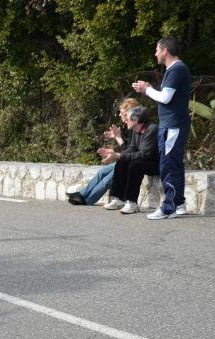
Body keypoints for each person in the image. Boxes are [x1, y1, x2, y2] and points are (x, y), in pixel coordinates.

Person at [132, 37, 191, 220]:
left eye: (157, 50)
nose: (155, 53)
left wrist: (145, 90)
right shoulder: (174, 70)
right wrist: (149, 88)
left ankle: (168, 207)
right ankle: (179, 203)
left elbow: (165, 98)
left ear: (165, 50)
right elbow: (166, 95)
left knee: (168, 165)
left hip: (172, 126)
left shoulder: (176, 69)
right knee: (175, 164)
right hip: (173, 125)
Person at [66, 98, 140, 205]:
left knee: (108, 179)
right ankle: (81, 195)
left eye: (123, 113)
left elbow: (133, 153)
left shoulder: (137, 128)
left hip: (134, 163)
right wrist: (118, 137)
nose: (120, 115)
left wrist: (117, 151)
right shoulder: (131, 128)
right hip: (128, 160)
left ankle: (87, 200)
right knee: (103, 171)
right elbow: (128, 150)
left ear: (131, 114)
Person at [100, 106, 159, 214]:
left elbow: (145, 154)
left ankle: (132, 203)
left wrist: (119, 155)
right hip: (144, 160)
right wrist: (115, 155)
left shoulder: (152, 129)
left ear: (136, 121)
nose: (125, 120)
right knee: (122, 162)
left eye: (127, 118)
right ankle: (118, 199)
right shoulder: (134, 130)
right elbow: (131, 149)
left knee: (135, 165)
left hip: (156, 164)